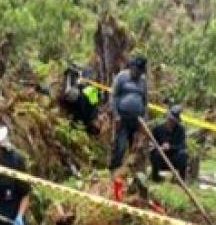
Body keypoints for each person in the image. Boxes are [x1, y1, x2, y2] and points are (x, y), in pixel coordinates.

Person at [109, 54, 148, 200]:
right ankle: (113, 171)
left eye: (140, 71)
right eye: (136, 70)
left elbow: (145, 101)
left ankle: (130, 177)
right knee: (120, 146)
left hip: (136, 120)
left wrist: (143, 120)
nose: (137, 73)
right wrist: (116, 115)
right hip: (122, 118)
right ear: (131, 67)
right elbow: (113, 97)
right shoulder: (121, 77)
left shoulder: (143, 82)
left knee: (135, 149)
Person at [149, 104, 188, 182]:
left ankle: (180, 179)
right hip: (161, 157)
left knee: (183, 154)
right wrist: (159, 147)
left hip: (174, 157)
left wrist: (170, 147)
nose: (171, 122)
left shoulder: (180, 130)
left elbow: (182, 145)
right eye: (170, 119)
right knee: (155, 154)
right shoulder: (157, 129)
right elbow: (151, 143)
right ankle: (155, 177)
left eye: (173, 120)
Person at [59, 65, 100, 134]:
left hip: (74, 100)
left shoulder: (90, 116)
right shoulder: (86, 120)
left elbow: (85, 102)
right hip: (74, 102)